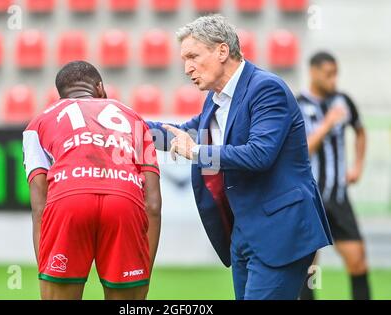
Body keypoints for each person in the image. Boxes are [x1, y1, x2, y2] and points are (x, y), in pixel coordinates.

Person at [147, 14, 332, 300]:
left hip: (280, 231)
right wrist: (125, 126)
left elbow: (260, 155)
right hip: (245, 233)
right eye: (185, 59)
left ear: (222, 51)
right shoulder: (216, 97)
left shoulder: (267, 88)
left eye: (193, 56)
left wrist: (194, 152)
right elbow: (183, 134)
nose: (187, 68)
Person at [22, 61, 162, 300]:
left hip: (68, 201)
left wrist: (48, 267)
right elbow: (153, 204)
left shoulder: (38, 124)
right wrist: (142, 271)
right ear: (100, 87)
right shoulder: (135, 119)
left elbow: (39, 207)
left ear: (61, 96)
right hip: (124, 201)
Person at [297, 52, 369, 300]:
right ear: (313, 72)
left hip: (338, 198)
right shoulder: (298, 104)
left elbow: (360, 131)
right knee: (307, 267)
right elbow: (303, 150)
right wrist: (327, 124)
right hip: (311, 199)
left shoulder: (344, 101)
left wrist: (357, 166)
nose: (333, 79)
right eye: (328, 74)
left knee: (358, 260)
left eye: (335, 73)